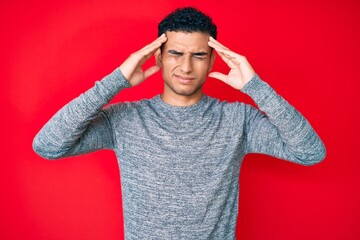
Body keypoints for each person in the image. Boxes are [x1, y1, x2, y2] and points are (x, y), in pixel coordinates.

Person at [33, 7, 326, 240]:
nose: (186, 67)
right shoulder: (125, 118)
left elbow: (310, 152)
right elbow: (48, 146)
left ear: (212, 61)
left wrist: (255, 86)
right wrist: (116, 82)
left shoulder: (239, 120)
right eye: (176, 53)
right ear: (158, 57)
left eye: (198, 55)